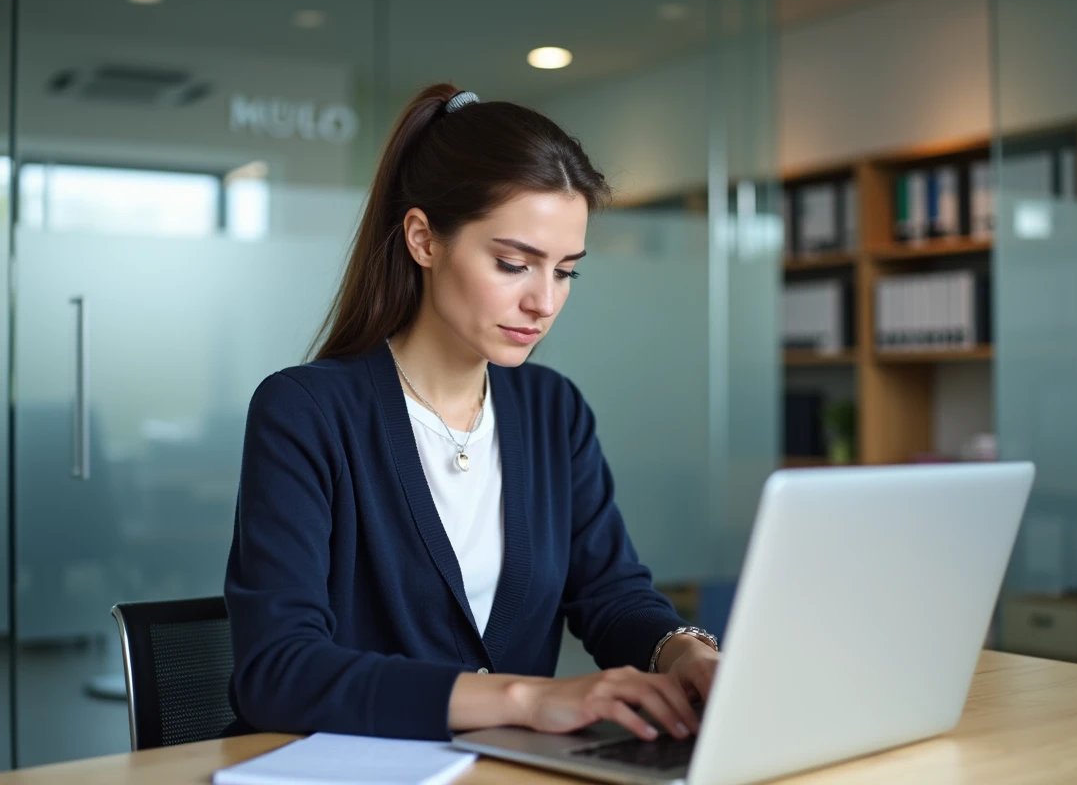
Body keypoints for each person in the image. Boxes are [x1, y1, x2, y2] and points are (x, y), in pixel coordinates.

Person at [224, 84, 720, 744]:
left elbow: (611, 595)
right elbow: (277, 671)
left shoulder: (553, 409)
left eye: (566, 271)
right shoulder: (308, 411)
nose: (544, 302)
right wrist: (524, 699)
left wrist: (686, 653)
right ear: (424, 240)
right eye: (514, 264)